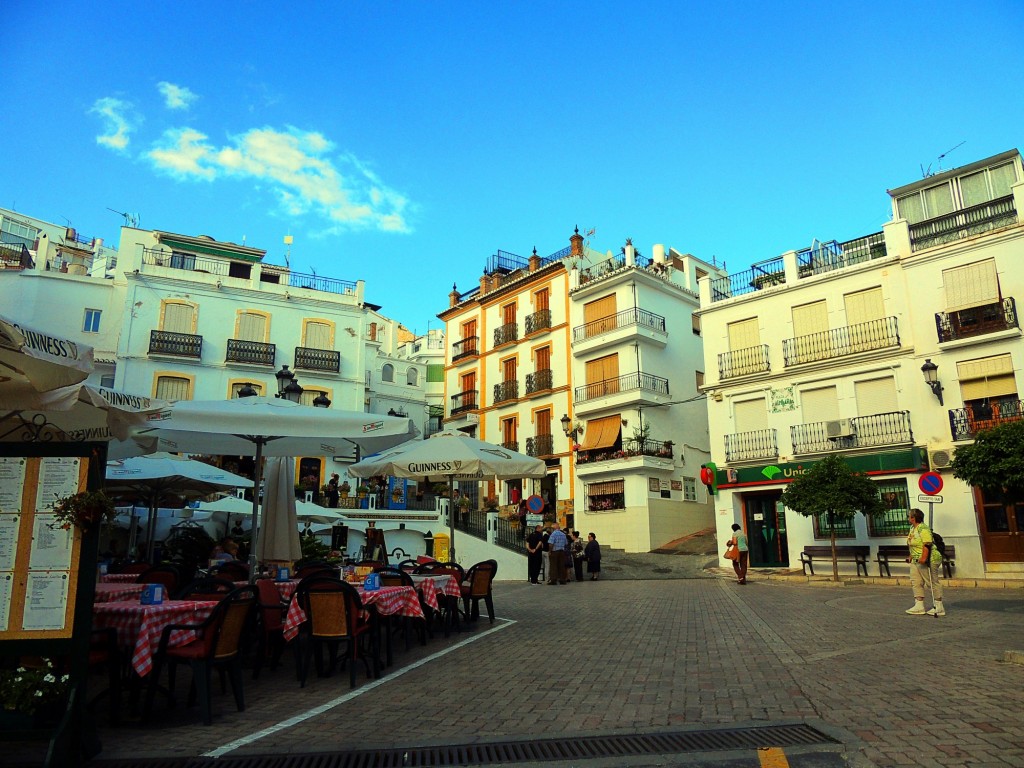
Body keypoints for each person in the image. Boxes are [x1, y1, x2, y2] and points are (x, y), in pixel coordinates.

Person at [906, 508, 945, 616]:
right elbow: (914, 544)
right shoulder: (912, 528)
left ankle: (939, 606)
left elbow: (927, 543)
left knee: (931, 581)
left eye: (909, 516)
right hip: (916, 559)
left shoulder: (923, 528)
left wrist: (924, 558)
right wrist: (910, 556)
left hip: (930, 559)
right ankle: (919, 605)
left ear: (913, 518)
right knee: (916, 581)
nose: (908, 518)